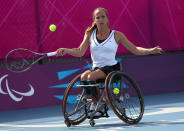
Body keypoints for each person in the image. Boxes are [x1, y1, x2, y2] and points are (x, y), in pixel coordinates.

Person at [56, 7, 163, 116]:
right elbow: (79, 51)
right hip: (96, 69)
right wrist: (66, 50)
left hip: (111, 69)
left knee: (90, 77)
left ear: (107, 19)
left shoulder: (117, 35)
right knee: (84, 76)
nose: (101, 19)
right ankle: (95, 102)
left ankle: (99, 104)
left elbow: (135, 49)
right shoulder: (90, 34)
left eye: (103, 17)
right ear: (94, 20)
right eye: (98, 17)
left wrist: (149, 50)